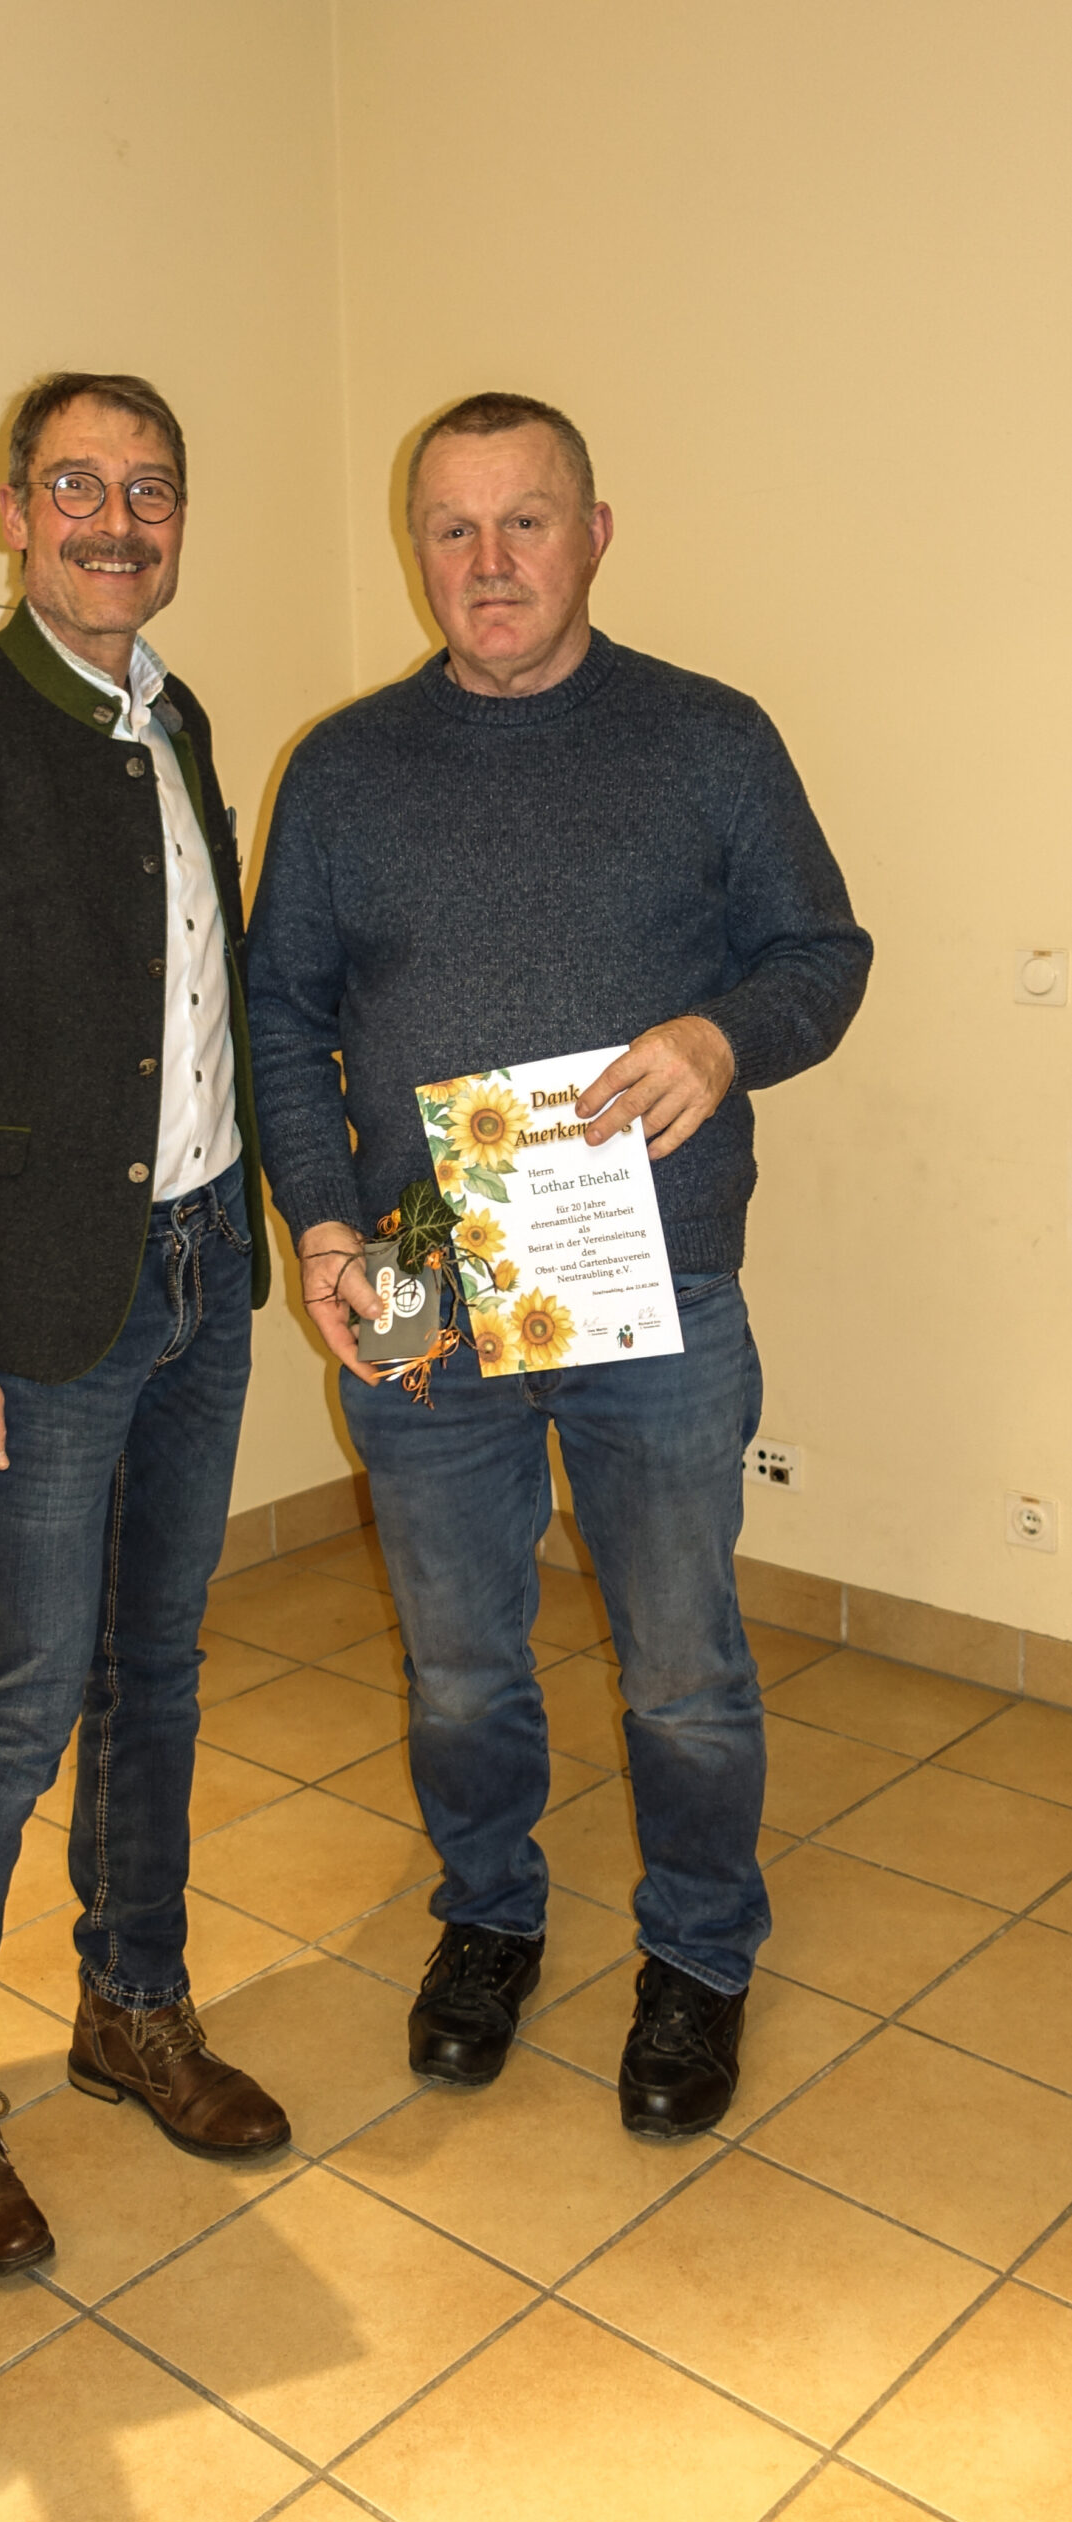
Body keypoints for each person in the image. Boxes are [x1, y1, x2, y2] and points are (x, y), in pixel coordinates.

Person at [247, 391, 871, 2139]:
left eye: (524, 520)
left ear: (593, 533)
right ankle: (488, 1919)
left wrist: (721, 1036)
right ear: (415, 548)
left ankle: (698, 1951)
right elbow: (282, 1018)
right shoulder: (345, 769)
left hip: (654, 1279)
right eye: (450, 527)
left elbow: (822, 952)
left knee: (680, 1666)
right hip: (419, 1278)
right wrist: (321, 1222)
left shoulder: (708, 739)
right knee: (458, 1660)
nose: (488, 561)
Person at [0, 370, 289, 2275]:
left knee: (154, 1668)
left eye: (149, 489)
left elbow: (203, 1010)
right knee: (18, 1697)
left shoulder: (178, 718)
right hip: (29, 1304)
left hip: (201, 1270)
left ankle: (131, 2005)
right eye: (77, 486)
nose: (117, 521)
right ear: (14, 514)